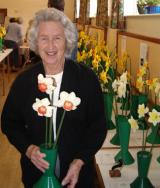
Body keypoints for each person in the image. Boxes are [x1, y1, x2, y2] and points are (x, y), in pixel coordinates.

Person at [1, 8, 107, 188]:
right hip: (35, 175)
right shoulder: (24, 82)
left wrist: (80, 160)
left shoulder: (87, 79)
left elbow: (98, 127)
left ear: (67, 41)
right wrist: (28, 149)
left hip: (78, 177)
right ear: (36, 42)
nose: (50, 46)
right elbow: (9, 122)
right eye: (44, 38)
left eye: (57, 38)